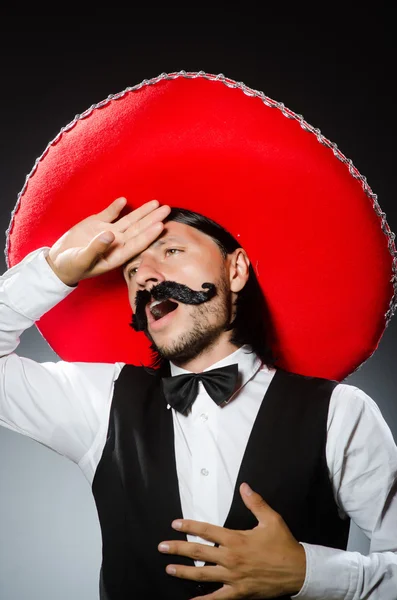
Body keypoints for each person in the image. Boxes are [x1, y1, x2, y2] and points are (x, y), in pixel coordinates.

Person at [1, 71, 397, 599]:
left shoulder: (342, 414)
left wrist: (311, 575)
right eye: (129, 271)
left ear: (235, 271)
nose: (145, 276)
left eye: (170, 250)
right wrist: (55, 269)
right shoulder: (99, 403)